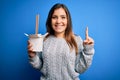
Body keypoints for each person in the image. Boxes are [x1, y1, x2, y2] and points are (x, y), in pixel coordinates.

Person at [27, 3, 95, 80]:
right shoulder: (44, 39)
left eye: (63, 17)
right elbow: (40, 66)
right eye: (54, 17)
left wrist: (88, 51)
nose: (58, 21)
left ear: (68, 20)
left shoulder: (76, 40)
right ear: (50, 20)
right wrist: (32, 56)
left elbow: (80, 69)